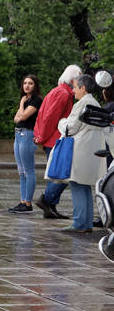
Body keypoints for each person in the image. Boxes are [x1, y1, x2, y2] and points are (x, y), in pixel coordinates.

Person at [46, 74, 106, 232]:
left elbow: (69, 128)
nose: (73, 91)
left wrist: (61, 121)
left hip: (79, 150)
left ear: (83, 88)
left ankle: (80, 224)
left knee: (77, 185)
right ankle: (85, 223)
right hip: (90, 150)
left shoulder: (82, 104)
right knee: (84, 186)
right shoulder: (95, 103)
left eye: (75, 87)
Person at [33, 64, 82, 219]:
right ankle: (46, 200)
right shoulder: (64, 94)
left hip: (51, 138)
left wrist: (41, 136)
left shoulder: (58, 91)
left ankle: (50, 208)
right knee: (62, 175)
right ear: (73, 79)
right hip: (55, 139)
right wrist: (43, 136)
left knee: (56, 175)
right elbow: (51, 118)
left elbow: (46, 116)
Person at [9, 75, 43, 213]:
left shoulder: (36, 100)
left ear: (35, 85)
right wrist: (22, 106)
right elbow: (15, 119)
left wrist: (22, 105)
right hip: (18, 134)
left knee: (29, 170)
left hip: (28, 135)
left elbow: (22, 117)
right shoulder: (26, 99)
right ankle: (23, 201)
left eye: (30, 83)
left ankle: (28, 203)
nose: (27, 86)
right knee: (21, 171)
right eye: (25, 83)